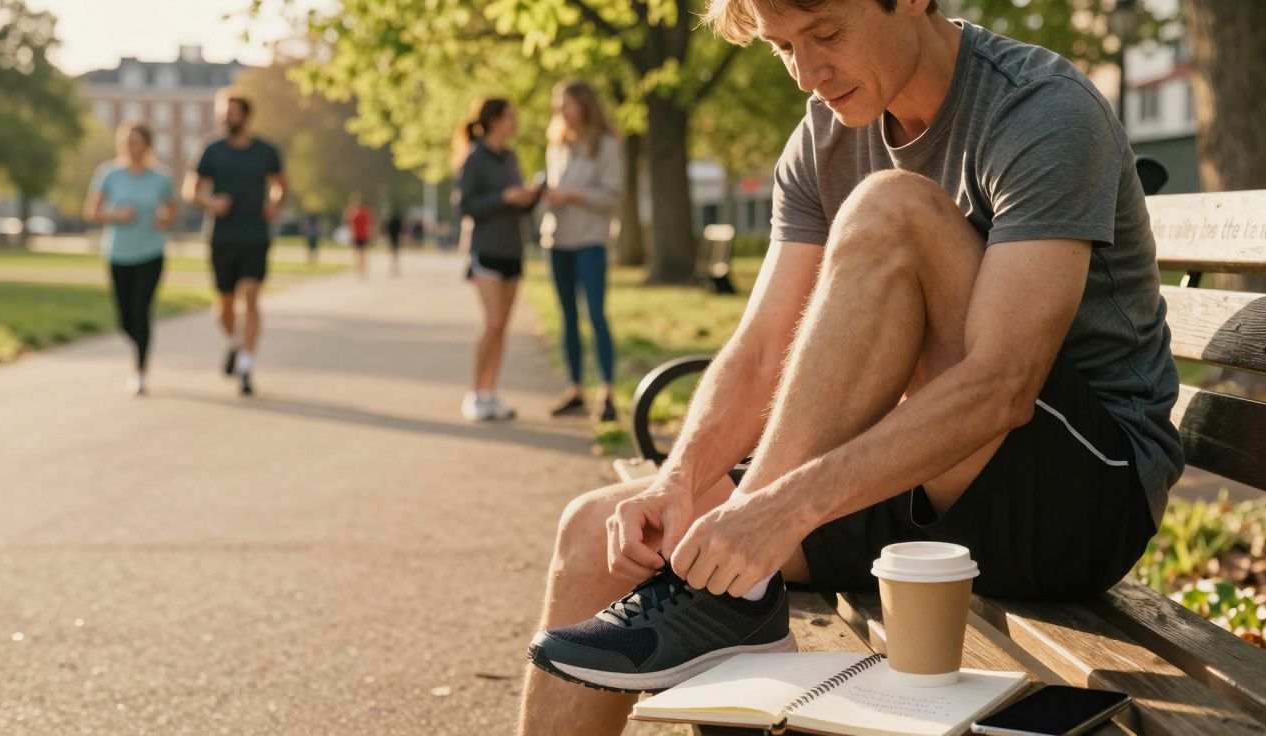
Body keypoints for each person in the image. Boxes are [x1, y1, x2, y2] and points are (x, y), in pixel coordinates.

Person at [518, 1, 1185, 733]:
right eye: (782, 49)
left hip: (1075, 498)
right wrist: (680, 482)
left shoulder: (1040, 108)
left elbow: (1003, 387)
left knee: (892, 209)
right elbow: (761, 351)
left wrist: (772, 511)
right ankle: (738, 597)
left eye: (826, 35)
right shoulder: (824, 138)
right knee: (596, 532)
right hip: (907, 478)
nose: (807, 74)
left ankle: (737, 595)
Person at [182, 87, 286, 397]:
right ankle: (235, 342)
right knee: (225, 304)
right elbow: (190, 190)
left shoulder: (265, 151)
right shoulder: (210, 149)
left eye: (232, 112)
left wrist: (274, 204)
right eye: (222, 112)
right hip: (221, 236)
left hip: (255, 234)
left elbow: (281, 184)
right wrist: (210, 202)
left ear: (245, 115)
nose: (226, 117)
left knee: (251, 297)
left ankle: (246, 365)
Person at [540, 80, 625, 422]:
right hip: (556, 241)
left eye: (568, 104)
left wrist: (575, 195)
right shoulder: (556, 146)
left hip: (590, 241)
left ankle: (606, 392)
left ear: (585, 106)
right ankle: (575, 390)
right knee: (567, 317)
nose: (561, 111)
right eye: (558, 104)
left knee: (595, 314)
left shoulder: (606, 146)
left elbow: (613, 197)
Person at [455, 97, 542, 422]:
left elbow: (517, 205)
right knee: (491, 322)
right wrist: (503, 197)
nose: (514, 122)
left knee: (502, 327)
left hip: (513, 250)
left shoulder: (510, 158)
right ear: (493, 120)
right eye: (509, 117)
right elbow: (465, 206)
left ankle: (490, 394)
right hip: (486, 251)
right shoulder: (475, 157)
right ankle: (475, 394)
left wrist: (529, 197)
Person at [84, 121, 177, 395]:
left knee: (140, 311)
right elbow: (91, 212)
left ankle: (140, 370)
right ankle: (141, 344)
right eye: (125, 141)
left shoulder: (161, 178)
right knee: (124, 319)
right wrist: (117, 215)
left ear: (147, 145)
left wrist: (165, 218)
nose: (129, 146)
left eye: (135, 141)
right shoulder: (108, 174)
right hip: (118, 253)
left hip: (151, 253)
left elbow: (172, 210)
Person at [344, 194, 374, 280]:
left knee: (358, 253)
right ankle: (361, 270)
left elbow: (348, 222)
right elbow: (370, 226)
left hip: (359, 235)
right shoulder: (364, 213)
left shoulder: (355, 214)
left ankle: (359, 270)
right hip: (360, 235)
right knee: (362, 253)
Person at [386, 207, 404, 277]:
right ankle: (395, 266)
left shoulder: (390, 220)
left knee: (392, 253)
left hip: (391, 238)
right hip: (396, 238)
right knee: (396, 253)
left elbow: (387, 229)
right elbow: (401, 229)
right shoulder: (398, 220)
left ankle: (392, 266)